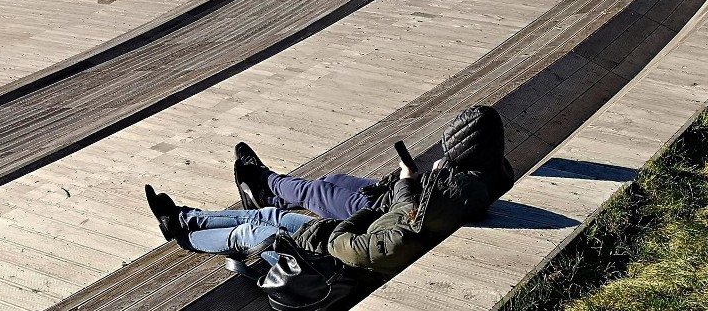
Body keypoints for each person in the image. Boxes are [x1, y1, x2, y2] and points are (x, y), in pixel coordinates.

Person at [144, 105, 514, 278]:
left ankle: (184, 234)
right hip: (344, 234)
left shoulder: (430, 207)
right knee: (271, 215)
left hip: (329, 258)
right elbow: (398, 222)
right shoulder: (474, 187)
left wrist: (404, 185)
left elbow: (372, 246)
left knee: (255, 232)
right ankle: (184, 218)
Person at [233, 105, 514, 220]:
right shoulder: (496, 170)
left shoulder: (463, 186)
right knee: (332, 180)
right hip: (389, 197)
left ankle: (262, 177)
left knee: (314, 192)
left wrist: (407, 178)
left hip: (381, 213)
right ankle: (266, 199)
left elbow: (412, 211)